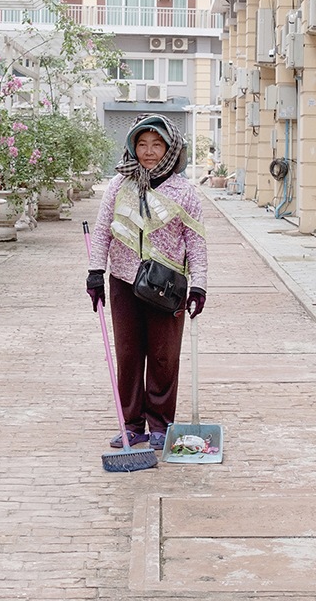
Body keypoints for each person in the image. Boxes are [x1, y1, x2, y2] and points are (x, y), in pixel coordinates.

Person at [86, 115, 208, 451]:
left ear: (171, 148)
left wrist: (199, 285)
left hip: (168, 285)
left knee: (163, 357)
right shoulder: (119, 184)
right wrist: (95, 272)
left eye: (157, 144)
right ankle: (131, 425)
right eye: (142, 144)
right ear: (132, 147)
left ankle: (160, 425)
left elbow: (196, 242)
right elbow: (102, 230)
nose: (149, 152)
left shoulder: (184, 192)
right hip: (124, 281)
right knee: (128, 355)